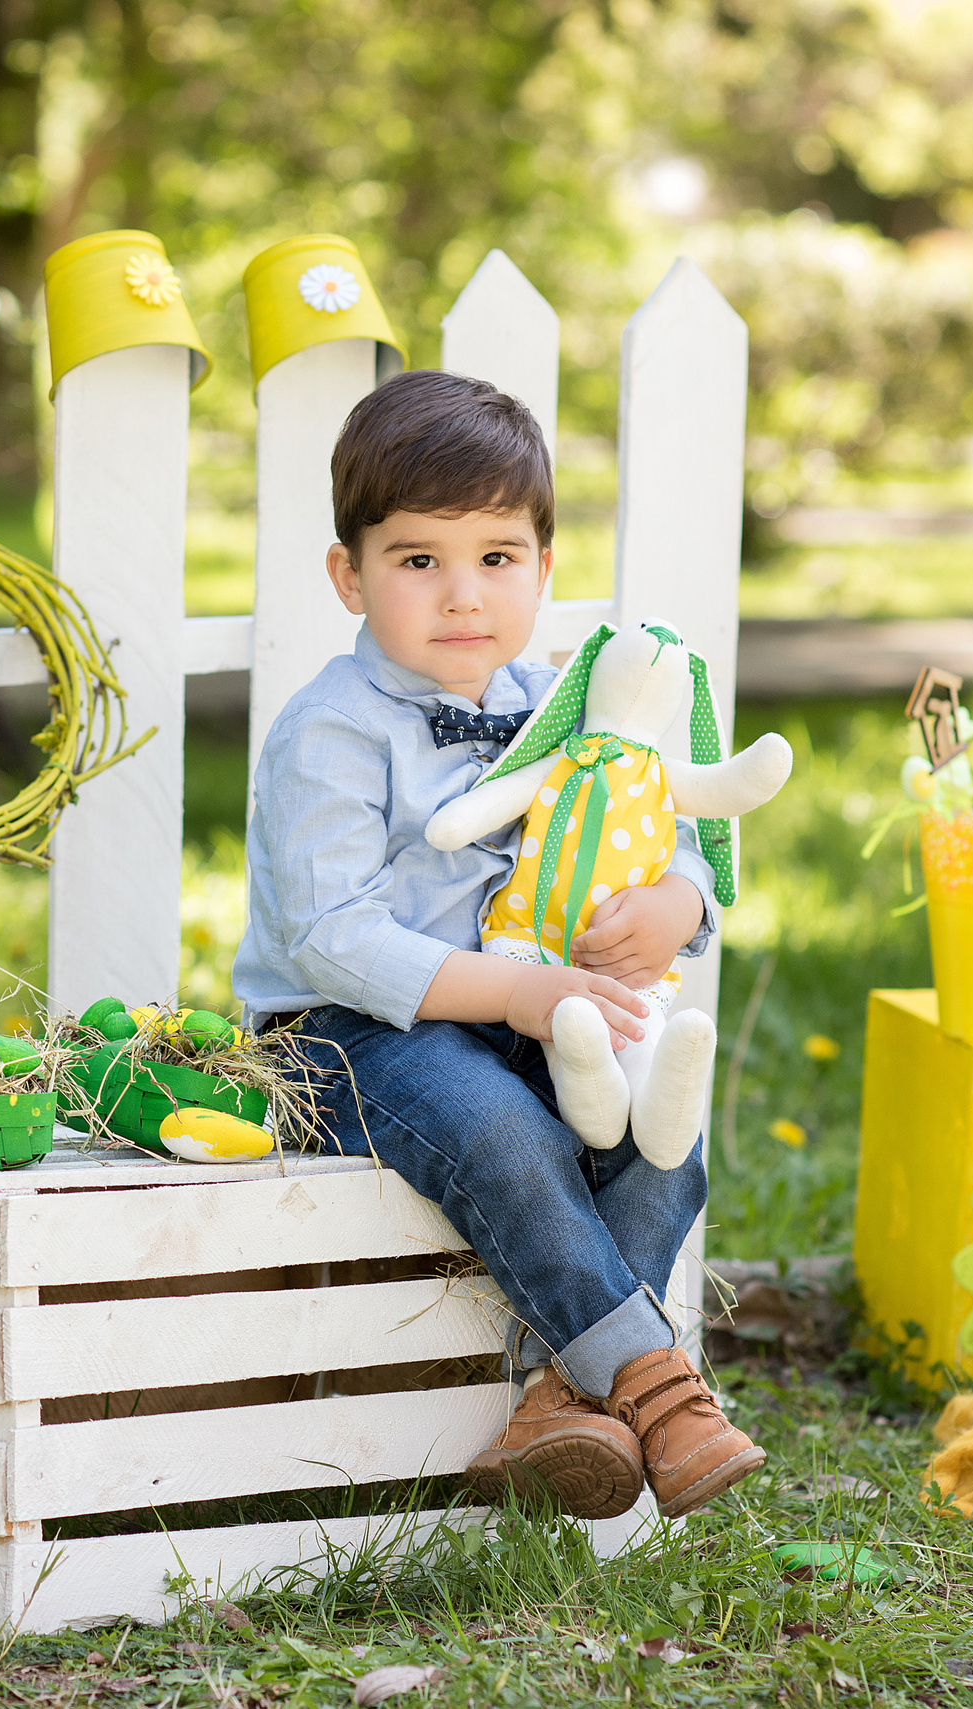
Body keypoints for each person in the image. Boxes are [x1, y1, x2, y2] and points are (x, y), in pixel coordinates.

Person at [232, 369, 765, 1522]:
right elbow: (329, 937)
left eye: (497, 557)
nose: (462, 593)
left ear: (542, 568)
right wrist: (521, 999)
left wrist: (677, 901)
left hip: (531, 1014)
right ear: (350, 575)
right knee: (503, 1132)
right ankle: (654, 1388)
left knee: (658, 1137)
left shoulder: (561, 704)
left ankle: (554, 1408)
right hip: (348, 1035)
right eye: (418, 559)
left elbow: (661, 824)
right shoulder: (328, 728)